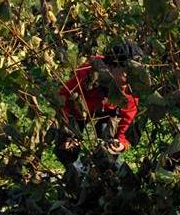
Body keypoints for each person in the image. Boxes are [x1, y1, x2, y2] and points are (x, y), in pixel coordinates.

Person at [54, 41, 142, 170]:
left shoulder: (131, 88)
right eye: (127, 72)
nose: (131, 77)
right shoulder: (87, 75)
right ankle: (74, 174)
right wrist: (68, 132)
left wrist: (121, 142)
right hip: (78, 111)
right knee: (67, 150)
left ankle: (108, 175)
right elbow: (63, 98)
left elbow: (127, 118)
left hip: (109, 114)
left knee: (109, 151)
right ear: (111, 67)